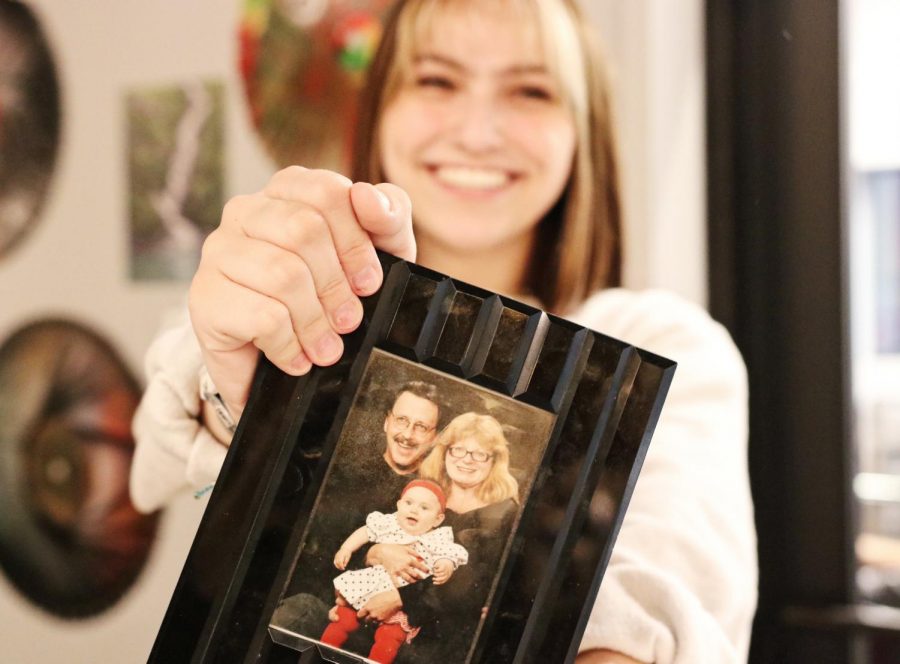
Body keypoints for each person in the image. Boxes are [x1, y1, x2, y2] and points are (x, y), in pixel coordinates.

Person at [130, 0, 758, 662]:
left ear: (584, 130)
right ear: (379, 109)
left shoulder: (667, 341)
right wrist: (243, 386)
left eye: (531, 89)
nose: (478, 130)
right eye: (436, 80)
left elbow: (666, 593)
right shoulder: (300, 302)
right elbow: (166, 430)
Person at [321, 479, 468, 663]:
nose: (414, 510)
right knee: (343, 619)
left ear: (438, 519)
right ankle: (322, 652)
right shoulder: (389, 524)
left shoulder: (437, 539)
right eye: (408, 503)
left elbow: (451, 554)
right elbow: (364, 532)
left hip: (401, 600)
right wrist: (346, 549)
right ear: (399, 505)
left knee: (390, 638)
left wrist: (445, 564)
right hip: (367, 588)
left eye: (424, 508)